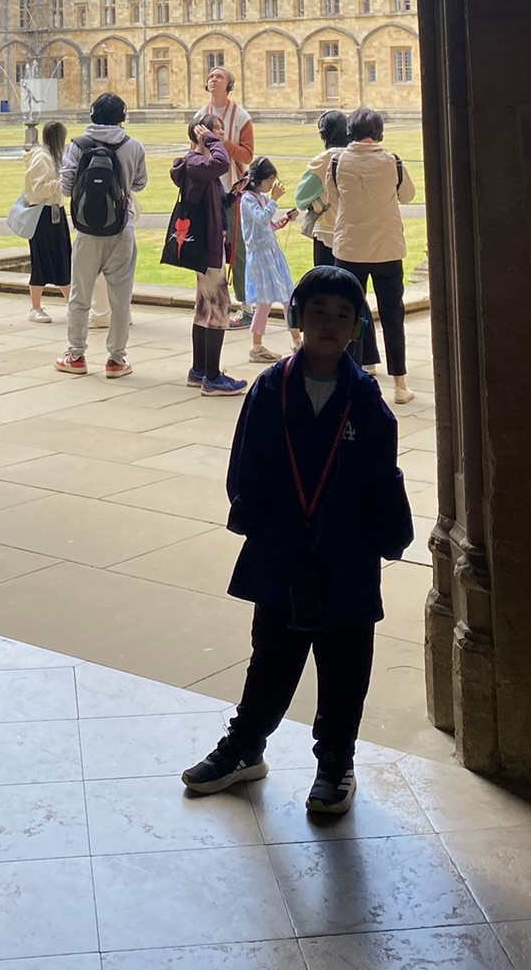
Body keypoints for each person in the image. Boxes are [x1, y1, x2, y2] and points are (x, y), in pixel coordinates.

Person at [180, 264, 413, 816]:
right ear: (297, 318)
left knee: (344, 663)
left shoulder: (365, 400)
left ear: (357, 327)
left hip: (346, 554)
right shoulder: (271, 388)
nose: (330, 324)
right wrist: (253, 518)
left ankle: (335, 761)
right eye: (318, 312)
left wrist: (389, 534)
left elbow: (382, 476)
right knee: (272, 655)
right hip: (283, 548)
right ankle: (245, 746)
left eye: (342, 315)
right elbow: (247, 461)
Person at [308, 106, 416, 405]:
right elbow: (407, 195)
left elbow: (333, 198)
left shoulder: (337, 162)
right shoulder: (392, 161)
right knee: (393, 316)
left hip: (350, 248)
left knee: (348, 315)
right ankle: (399, 384)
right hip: (387, 249)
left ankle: (350, 380)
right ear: (379, 132)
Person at [54, 91, 148, 378]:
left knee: (80, 296)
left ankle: (76, 355)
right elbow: (140, 183)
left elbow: (66, 186)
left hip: (86, 231)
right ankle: (116, 360)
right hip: (121, 228)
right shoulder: (132, 146)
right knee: (120, 299)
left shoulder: (78, 145)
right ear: (122, 117)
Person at [167, 115, 247, 397]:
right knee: (219, 307)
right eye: (216, 129)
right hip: (208, 245)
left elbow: (211, 201)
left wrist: (232, 196)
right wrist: (210, 139)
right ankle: (212, 377)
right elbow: (222, 163)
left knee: (204, 308)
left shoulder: (198, 166)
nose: (221, 134)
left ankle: (199, 369)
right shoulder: (197, 162)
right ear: (202, 134)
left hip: (206, 242)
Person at [197, 65, 254, 321]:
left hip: (232, 191)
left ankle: (246, 306)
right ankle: (212, 302)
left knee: (237, 250)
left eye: (219, 77)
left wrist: (222, 143)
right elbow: (193, 151)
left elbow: (247, 155)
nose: (213, 79)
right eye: (210, 76)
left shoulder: (241, 117)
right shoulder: (201, 115)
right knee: (207, 249)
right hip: (207, 192)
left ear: (229, 84)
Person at [238, 155, 295, 363]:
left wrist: (283, 220)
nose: (272, 185)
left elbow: (267, 224)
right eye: (269, 180)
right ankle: (257, 346)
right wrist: (274, 200)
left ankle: (297, 341)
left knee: (288, 297)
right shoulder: (247, 199)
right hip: (260, 257)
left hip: (271, 253)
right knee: (264, 303)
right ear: (258, 179)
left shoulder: (260, 198)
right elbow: (261, 219)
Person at [20, 119, 70, 322]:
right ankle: (35, 308)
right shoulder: (41, 158)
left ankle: (72, 303)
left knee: (63, 258)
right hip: (42, 215)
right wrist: (60, 183)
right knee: (41, 260)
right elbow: (39, 189)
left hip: (56, 213)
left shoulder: (54, 157)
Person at [295, 110, 349, 269]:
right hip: (355, 233)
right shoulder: (356, 157)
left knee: (325, 281)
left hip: (327, 231)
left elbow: (301, 199)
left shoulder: (322, 162)